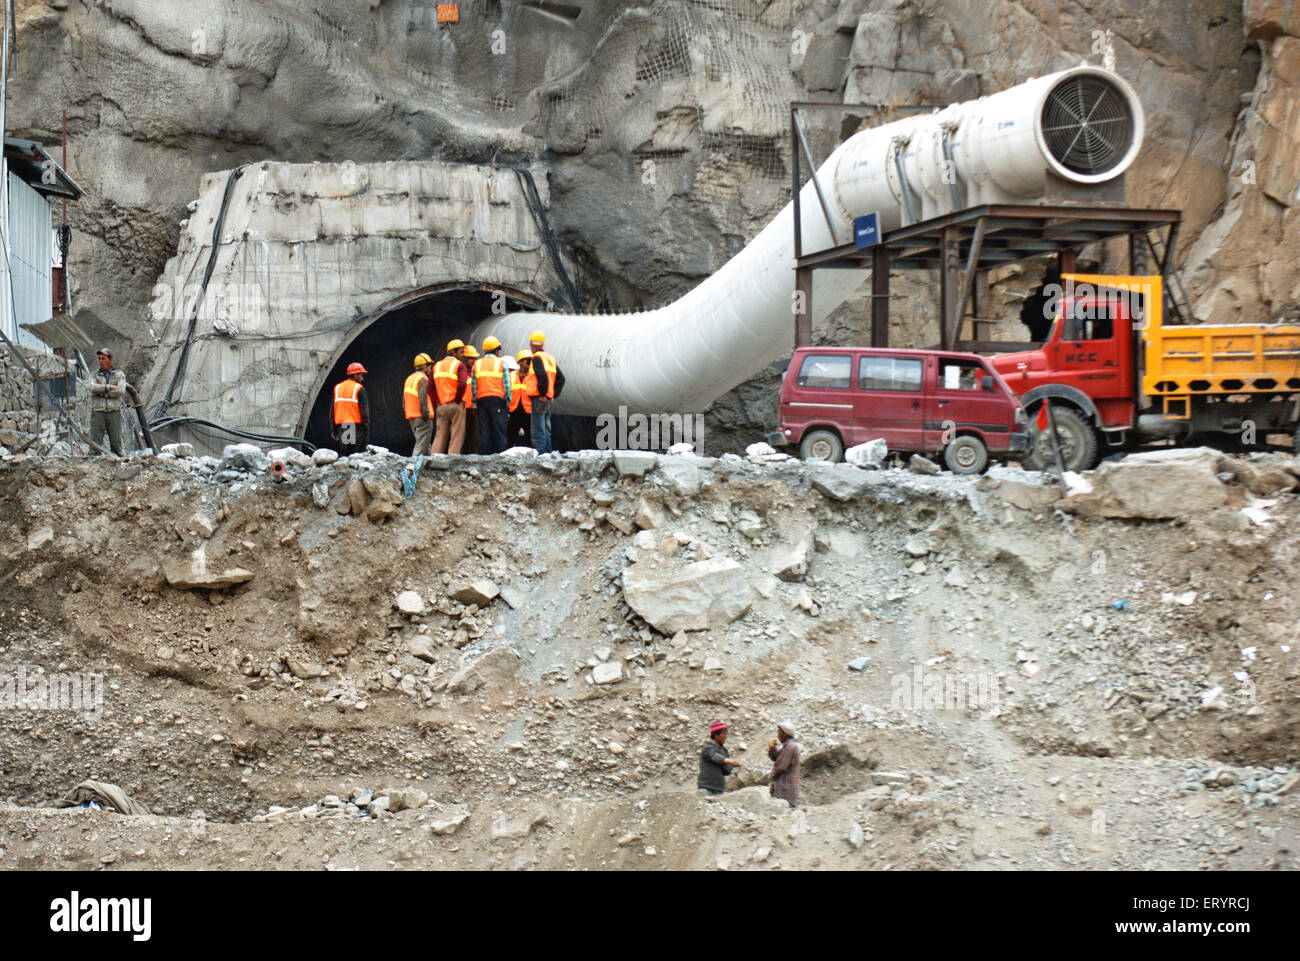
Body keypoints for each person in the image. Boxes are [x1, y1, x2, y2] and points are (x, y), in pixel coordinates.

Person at [522, 329, 564, 454]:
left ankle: (541, 457)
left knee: (538, 430)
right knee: (546, 429)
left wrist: (542, 394)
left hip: (539, 399)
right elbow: (561, 379)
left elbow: (541, 376)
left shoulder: (536, 358)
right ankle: (548, 454)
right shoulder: (550, 358)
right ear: (542, 344)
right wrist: (552, 395)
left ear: (531, 343)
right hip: (547, 399)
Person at [83, 347, 127, 455]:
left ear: (110, 360)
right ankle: (93, 467)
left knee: (116, 444)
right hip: (98, 411)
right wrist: (108, 388)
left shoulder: (119, 374)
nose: (101, 361)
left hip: (114, 412)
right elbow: (92, 387)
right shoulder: (94, 374)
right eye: (99, 359)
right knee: (95, 444)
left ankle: (120, 465)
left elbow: (120, 390)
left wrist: (101, 391)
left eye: (103, 358)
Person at [472, 336, 511, 455]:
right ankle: (501, 456)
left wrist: (475, 400)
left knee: (484, 430)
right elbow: (507, 385)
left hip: (482, 401)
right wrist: (508, 402)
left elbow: (474, 386)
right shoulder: (501, 363)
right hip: (497, 400)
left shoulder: (477, 364)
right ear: (496, 350)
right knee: (499, 430)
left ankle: (484, 456)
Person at [431, 340, 469, 455]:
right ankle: (453, 459)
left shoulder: (437, 366)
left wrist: (437, 401)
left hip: (442, 405)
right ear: (453, 353)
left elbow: (430, 387)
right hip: (456, 405)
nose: (463, 355)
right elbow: (463, 383)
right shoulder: (459, 365)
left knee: (440, 435)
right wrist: (458, 399)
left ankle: (434, 458)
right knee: (457, 435)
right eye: (461, 352)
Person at [332, 362, 369, 455]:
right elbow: (364, 411)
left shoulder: (337, 388)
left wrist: (334, 429)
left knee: (346, 455)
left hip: (343, 426)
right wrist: (366, 426)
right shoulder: (359, 389)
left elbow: (332, 411)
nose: (362, 377)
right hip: (356, 427)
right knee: (358, 455)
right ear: (355, 375)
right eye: (361, 375)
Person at [698, 720, 741, 797]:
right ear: (716, 735)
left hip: (719, 789)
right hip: (706, 788)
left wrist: (733, 766)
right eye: (723, 734)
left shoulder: (723, 750)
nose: (725, 736)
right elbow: (713, 756)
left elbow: (726, 770)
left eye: (726, 734)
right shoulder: (708, 748)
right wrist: (728, 761)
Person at [403, 353, 435, 456]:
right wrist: (426, 416)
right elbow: (422, 400)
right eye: (430, 366)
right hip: (422, 417)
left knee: (425, 444)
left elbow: (403, 401)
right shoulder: (423, 379)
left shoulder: (409, 379)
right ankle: (412, 468)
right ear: (425, 367)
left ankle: (431, 466)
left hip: (412, 417)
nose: (431, 368)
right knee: (421, 446)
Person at [767, 722, 800, 808]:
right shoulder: (787, 746)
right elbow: (776, 757)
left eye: (779, 732)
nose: (778, 735)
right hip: (784, 789)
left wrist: (771, 777)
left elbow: (780, 766)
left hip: (786, 790)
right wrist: (772, 748)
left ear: (785, 734)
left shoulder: (790, 747)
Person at [507, 349, 532, 448]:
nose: (529, 363)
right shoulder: (511, 376)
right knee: (510, 437)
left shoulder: (532, 376)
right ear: (520, 362)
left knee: (529, 438)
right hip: (514, 411)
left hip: (528, 412)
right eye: (527, 361)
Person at [461, 345, 480, 454]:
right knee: (461, 437)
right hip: (463, 409)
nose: (474, 361)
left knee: (474, 437)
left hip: (474, 408)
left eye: (475, 358)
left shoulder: (476, 372)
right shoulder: (460, 372)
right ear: (465, 359)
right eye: (471, 358)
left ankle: (474, 458)